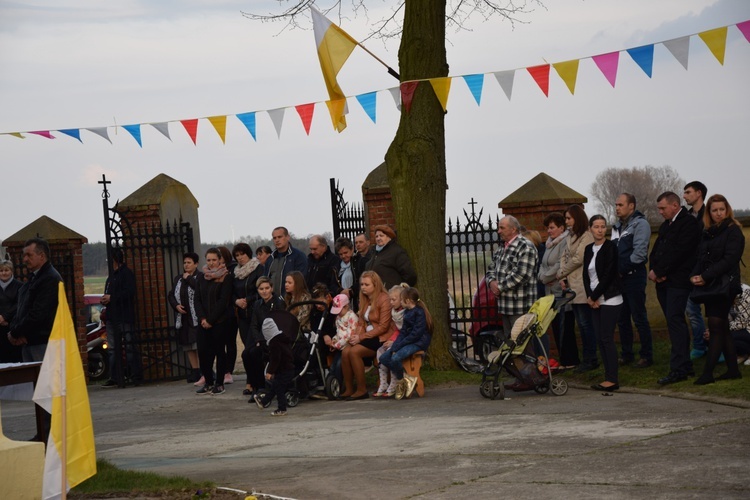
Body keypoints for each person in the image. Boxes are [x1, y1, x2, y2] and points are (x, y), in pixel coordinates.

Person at [7, 238, 62, 442]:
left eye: (29, 255)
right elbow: (23, 309)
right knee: (40, 393)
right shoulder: (34, 277)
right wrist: (15, 330)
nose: (25, 259)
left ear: (42, 255)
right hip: (31, 342)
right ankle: (43, 433)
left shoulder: (49, 278)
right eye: (24, 255)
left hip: (42, 343)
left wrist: (17, 333)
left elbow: (40, 315)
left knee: (47, 391)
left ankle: (50, 436)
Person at [648, 192, 702, 385]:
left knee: (675, 321)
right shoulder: (666, 225)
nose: (660, 212)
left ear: (675, 205)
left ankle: (678, 368)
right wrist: (653, 270)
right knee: (674, 322)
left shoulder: (687, 223)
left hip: (678, 282)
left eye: (663, 208)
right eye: (659, 209)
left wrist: (661, 271)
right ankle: (685, 366)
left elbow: (681, 252)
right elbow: (656, 251)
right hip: (664, 282)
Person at [691, 194, 745, 385]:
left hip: (726, 286)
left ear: (727, 209)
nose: (719, 213)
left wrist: (705, 276)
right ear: (709, 212)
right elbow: (700, 257)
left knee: (715, 327)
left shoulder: (733, 231)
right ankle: (733, 370)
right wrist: (695, 275)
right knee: (722, 328)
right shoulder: (708, 231)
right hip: (712, 286)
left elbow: (729, 260)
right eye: (715, 210)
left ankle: (707, 373)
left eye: (722, 209)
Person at [612, 193, 654, 368]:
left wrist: (620, 270)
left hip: (634, 276)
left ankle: (646, 355)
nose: (617, 208)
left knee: (639, 317)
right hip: (618, 279)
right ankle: (627, 354)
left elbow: (639, 253)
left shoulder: (640, 224)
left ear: (631, 206)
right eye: (616, 205)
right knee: (622, 319)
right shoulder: (616, 227)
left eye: (621, 205)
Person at [583, 215, 623, 391]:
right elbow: (586, 276)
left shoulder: (611, 248)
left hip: (610, 297)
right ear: (590, 229)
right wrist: (591, 297)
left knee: (607, 338)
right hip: (595, 299)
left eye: (602, 226)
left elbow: (608, 275)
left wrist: (595, 296)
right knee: (600, 338)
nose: (600, 230)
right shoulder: (588, 249)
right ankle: (607, 376)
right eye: (596, 226)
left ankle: (612, 379)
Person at [340, 271, 393, 400]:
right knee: (346, 351)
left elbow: (383, 326)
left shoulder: (384, 298)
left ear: (375, 285)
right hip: (367, 335)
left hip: (381, 337)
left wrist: (361, 338)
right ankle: (349, 389)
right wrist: (356, 336)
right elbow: (361, 323)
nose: (363, 287)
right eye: (362, 284)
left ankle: (361, 390)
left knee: (354, 352)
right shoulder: (363, 299)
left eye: (366, 284)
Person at [485, 216, 539, 340]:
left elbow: (522, 275)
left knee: (523, 346)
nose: (499, 231)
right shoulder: (501, 249)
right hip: (505, 306)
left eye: (502, 228)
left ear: (513, 229)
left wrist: (499, 287)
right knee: (511, 346)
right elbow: (490, 270)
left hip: (520, 306)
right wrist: (491, 282)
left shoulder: (526, 247)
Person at [537, 212, 579, 369]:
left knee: (565, 326)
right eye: (548, 228)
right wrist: (542, 276)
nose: (549, 231)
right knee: (556, 326)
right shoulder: (549, 244)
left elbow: (560, 265)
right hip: (550, 291)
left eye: (552, 227)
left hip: (560, 291)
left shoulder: (564, 243)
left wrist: (545, 277)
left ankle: (570, 360)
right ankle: (563, 359)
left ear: (561, 228)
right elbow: (543, 264)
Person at [557, 205, 595, 370]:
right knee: (580, 323)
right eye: (565, 219)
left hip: (582, 284)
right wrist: (562, 275)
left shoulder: (586, 236)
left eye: (569, 218)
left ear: (577, 218)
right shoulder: (569, 237)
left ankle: (591, 358)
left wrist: (563, 271)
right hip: (572, 285)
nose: (566, 222)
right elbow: (564, 257)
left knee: (586, 324)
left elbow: (579, 258)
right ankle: (586, 359)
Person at [380, 286, 433, 400]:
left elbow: (415, 334)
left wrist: (400, 345)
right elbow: (403, 332)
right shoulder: (407, 312)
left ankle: (402, 382)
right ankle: (405, 379)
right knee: (384, 358)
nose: (400, 301)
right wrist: (395, 346)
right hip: (408, 341)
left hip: (418, 342)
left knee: (395, 358)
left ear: (407, 301)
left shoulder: (419, 313)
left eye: (402, 299)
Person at [194, 248, 234, 395]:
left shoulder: (226, 277)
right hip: (203, 322)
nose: (211, 263)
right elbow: (197, 300)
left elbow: (223, 301)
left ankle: (219, 383)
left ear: (219, 260)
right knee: (203, 352)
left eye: (214, 260)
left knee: (219, 352)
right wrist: (203, 318)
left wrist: (211, 320)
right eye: (209, 260)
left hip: (219, 321)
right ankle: (208, 382)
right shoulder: (201, 277)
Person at [101, 248, 142, 388]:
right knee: (113, 349)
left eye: (108, 259)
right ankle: (116, 377)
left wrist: (112, 298)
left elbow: (130, 292)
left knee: (129, 347)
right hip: (112, 316)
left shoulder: (126, 274)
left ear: (114, 259)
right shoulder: (111, 276)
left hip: (124, 315)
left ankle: (135, 375)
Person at [241, 276, 285, 399]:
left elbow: (280, 323)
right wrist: (257, 340)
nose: (264, 291)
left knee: (256, 354)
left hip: (274, 338)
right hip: (261, 338)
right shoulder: (257, 304)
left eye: (267, 288)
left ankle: (261, 387)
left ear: (272, 288)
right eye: (261, 289)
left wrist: (265, 341)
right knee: (245, 354)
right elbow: (254, 325)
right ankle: (255, 386)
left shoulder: (278, 303)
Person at [231, 243, 264, 386]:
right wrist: (237, 301)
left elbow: (262, 289)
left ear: (248, 254)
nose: (240, 258)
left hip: (255, 313)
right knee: (246, 348)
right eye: (237, 255)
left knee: (253, 347)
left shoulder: (258, 268)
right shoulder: (235, 272)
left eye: (242, 254)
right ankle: (251, 379)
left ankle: (253, 382)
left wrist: (247, 300)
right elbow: (231, 291)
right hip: (241, 315)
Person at [683, 181, 709, 360]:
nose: (684, 195)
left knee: (716, 312)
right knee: (692, 310)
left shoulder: (709, 214)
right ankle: (699, 346)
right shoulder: (686, 216)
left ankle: (720, 347)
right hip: (689, 269)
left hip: (708, 269)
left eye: (688, 192)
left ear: (699, 193)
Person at [167, 252, 202, 384]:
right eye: (185, 263)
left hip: (196, 317)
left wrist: (189, 279)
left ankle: (203, 371)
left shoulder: (200, 277)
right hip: (183, 317)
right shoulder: (178, 278)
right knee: (188, 346)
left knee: (197, 345)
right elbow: (171, 295)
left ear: (196, 264)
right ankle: (195, 371)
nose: (186, 265)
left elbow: (199, 289)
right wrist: (176, 306)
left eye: (189, 263)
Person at [253, 316, 295, 416]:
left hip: (284, 369)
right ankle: (263, 402)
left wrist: (270, 371)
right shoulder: (282, 339)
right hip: (286, 368)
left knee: (279, 389)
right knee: (275, 387)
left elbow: (275, 359)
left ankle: (282, 408)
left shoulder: (274, 343)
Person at [373, 285, 406, 397]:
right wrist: (390, 339)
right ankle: (383, 383)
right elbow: (397, 330)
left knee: (391, 353)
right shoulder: (394, 312)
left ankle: (394, 383)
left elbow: (405, 332)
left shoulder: (406, 313)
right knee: (380, 351)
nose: (391, 302)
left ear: (402, 299)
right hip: (397, 339)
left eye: (393, 299)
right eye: (390, 299)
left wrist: (394, 342)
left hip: (403, 341)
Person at [365, 225, 417, 289]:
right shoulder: (373, 252)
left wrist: (400, 290)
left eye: (381, 236)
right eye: (376, 236)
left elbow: (410, 275)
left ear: (389, 237)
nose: (378, 238)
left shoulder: (396, 252)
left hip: (390, 294)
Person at [326, 293, 359, 386]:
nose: (338, 313)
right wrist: (334, 340)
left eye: (340, 310)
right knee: (333, 366)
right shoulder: (338, 318)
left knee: (339, 366)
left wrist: (337, 345)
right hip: (339, 347)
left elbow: (349, 335)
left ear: (346, 306)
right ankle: (330, 385)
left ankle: (339, 385)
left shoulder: (352, 317)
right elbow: (338, 332)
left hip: (347, 345)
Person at [217, 246, 239, 385]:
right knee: (219, 343)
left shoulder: (233, 270)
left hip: (231, 311)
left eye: (219, 256)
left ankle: (228, 371)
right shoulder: (212, 272)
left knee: (230, 343)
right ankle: (222, 370)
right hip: (219, 312)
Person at [267, 226, 307, 293]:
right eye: (274, 238)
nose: (277, 240)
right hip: (272, 300)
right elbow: (265, 279)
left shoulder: (299, 256)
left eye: (280, 237)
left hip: (291, 300)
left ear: (287, 237)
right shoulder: (270, 258)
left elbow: (301, 281)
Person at [0, 259, 23, 363]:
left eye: (6, 270)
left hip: (12, 328)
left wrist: (5, 317)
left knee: (13, 359)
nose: (3, 273)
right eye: (1, 270)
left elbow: (19, 304)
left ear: (11, 271)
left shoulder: (19, 286)